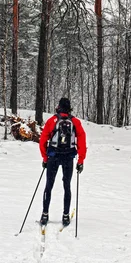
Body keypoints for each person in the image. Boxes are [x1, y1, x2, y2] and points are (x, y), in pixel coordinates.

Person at [39, 97, 86, 227]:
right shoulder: (75, 122)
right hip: (68, 157)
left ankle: (45, 214)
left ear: (58, 107)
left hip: (53, 156)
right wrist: (80, 160)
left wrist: (45, 158)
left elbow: (43, 140)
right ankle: (65, 216)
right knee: (67, 186)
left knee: (49, 185)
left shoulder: (52, 121)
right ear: (69, 108)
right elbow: (82, 141)